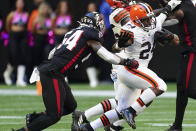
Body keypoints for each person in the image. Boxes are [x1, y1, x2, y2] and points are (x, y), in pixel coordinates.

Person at [12, 12, 139, 131]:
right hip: (53, 73)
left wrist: (56, 62)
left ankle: (34, 118)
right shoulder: (91, 35)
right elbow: (106, 55)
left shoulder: (74, 31)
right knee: (54, 116)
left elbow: (53, 52)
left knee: (70, 106)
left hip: (54, 70)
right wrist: (125, 61)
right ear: (97, 24)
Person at [73, 1, 180, 131]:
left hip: (137, 69)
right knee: (160, 86)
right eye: (145, 20)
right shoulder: (129, 28)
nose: (149, 22)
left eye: (149, 19)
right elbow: (116, 46)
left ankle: (88, 128)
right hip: (130, 68)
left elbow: (163, 14)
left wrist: (171, 6)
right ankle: (129, 112)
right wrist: (120, 44)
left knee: (120, 109)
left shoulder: (152, 22)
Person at [165, 0, 196, 131]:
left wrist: (164, 9)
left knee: (189, 89)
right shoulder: (186, 5)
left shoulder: (183, 8)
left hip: (193, 52)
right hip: (187, 52)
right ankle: (177, 126)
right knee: (181, 88)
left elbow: (171, 17)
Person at [4, 0, 29, 86]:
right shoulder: (12, 14)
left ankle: (20, 79)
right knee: (14, 55)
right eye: (18, 3)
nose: (20, 5)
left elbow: (27, 25)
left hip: (23, 36)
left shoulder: (26, 14)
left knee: (23, 55)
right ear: (16, 4)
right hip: (13, 35)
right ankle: (7, 74)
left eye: (21, 3)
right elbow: (7, 25)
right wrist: (12, 32)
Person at [31, 2, 53, 67]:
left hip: (47, 38)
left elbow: (52, 29)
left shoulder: (50, 19)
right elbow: (32, 30)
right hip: (38, 38)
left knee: (46, 55)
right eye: (44, 8)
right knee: (37, 55)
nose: (45, 10)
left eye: (47, 8)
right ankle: (36, 70)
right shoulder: (37, 19)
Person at [85, 2, 99, 88]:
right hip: (89, 41)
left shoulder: (99, 16)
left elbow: (103, 27)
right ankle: (93, 80)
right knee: (89, 60)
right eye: (90, 7)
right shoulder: (85, 17)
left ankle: (96, 78)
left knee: (99, 60)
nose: (92, 9)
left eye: (93, 7)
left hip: (98, 40)